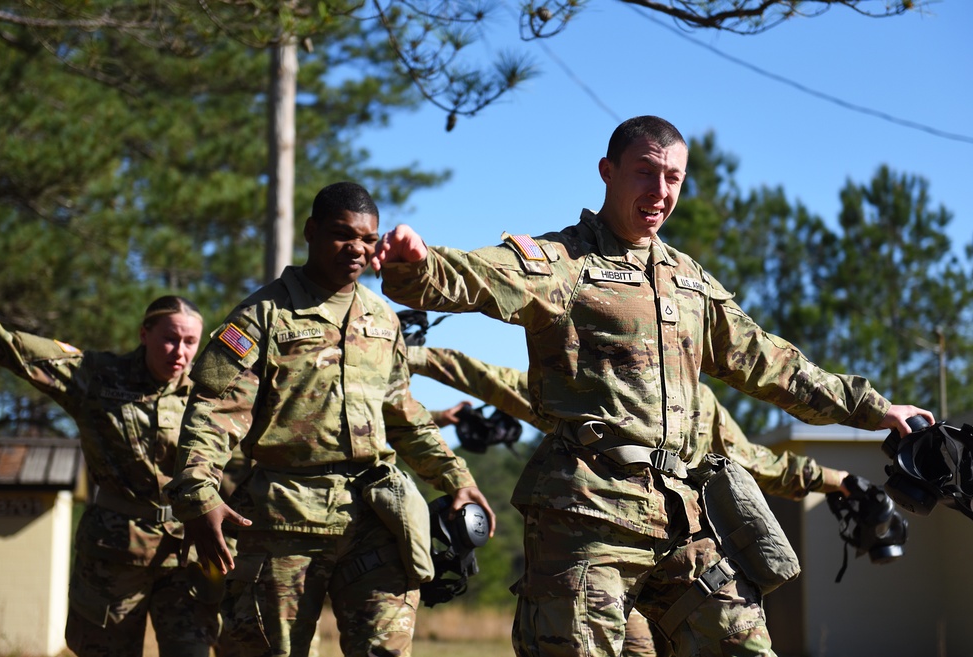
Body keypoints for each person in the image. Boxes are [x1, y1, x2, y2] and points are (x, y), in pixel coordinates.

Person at [371, 115, 933, 657]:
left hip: (683, 517)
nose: (660, 190)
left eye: (674, 178)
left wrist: (875, 410)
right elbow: (475, 277)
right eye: (645, 171)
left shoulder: (690, 282)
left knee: (744, 646)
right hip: (589, 517)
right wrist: (414, 267)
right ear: (607, 171)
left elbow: (771, 363)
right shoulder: (563, 263)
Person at [165, 181, 495, 657]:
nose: (357, 249)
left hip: (375, 518)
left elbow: (403, 414)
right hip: (285, 522)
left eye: (368, 239)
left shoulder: (383, 319)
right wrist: (198, 491)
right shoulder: (263, 316)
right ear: (311, 231)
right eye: (343, 235)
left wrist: (456, 478)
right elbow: (215, 410)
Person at [408, 344, 856, 656]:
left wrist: (838, 481)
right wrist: (408, 354)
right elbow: (485, 376)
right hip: (607, 558)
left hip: (686, 558)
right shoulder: (592, 393)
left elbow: (756, 462)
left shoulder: (700, 403)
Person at [0, 295, 220, 657]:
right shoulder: (97, 375)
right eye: (170, 338)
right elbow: (13, 348)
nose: (179, 351)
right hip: (114, 555)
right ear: (144, 334)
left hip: (187, 555)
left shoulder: (209, 394)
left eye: (190, 342)